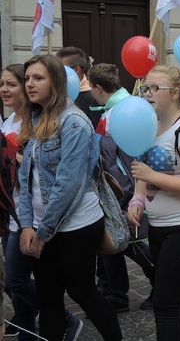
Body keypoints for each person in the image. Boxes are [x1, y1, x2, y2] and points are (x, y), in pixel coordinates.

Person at [18, 54, 122, 340]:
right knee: (48, 298)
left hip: (76, 226)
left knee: (82, 292)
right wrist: (27, 224)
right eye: (27, 78)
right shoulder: (36, 118)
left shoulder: (75, 123)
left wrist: (42, 233)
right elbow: (25, 181)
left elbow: (69, 185)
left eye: (38, 78)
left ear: (57, 82)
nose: (29, 84)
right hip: (41, 225)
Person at [126, 64, 180, 340]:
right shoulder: (151, 126)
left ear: (175, 93)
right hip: (160, 227)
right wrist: (138, 198)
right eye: (145, 88)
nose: (147, 94)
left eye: (154, 88)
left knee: (164, 305)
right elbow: (143, 170)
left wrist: (153, 177)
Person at [1, 63, 83, 340]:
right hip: (13, 209)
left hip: (41, 214)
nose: (5, 89)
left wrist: (12, 160)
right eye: (4, 84)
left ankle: (62, 320)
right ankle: (30, 327)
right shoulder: (9, 121)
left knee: (21, 281)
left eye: (12, 84)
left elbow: (55, 174)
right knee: (15, 281)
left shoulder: (54, 121)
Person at [88, 63, 156, 312]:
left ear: (97, 87)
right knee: (115, 240)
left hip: (123, 190)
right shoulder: (120, 107)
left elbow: (125, 159)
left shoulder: (120, 112)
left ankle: (157, 282)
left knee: (131, 242)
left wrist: (126, 195)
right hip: (117, 189)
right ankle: (116, 291)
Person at [56, 46, 103, 127]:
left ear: (76, 70)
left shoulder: (92, 96)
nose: (56, 73)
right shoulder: (56, 94)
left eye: (60, 69)